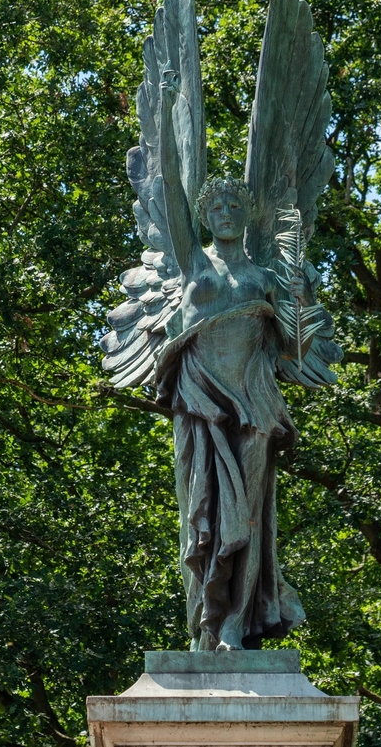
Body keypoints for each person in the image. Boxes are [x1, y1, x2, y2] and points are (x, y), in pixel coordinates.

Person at [151, 75, 308, 651]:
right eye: (214, 204)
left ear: (247, 213)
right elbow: (169, 182)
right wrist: (168, 110)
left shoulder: (265, 276)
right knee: (202, 514)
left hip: (255, 404)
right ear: (202, 216)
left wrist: (300, 294)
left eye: (233, 203)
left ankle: (237, 625)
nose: (223, 210)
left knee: (246, 521)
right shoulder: (193, 263)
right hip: (198, 402)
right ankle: (203, 627)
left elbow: (292, 349)